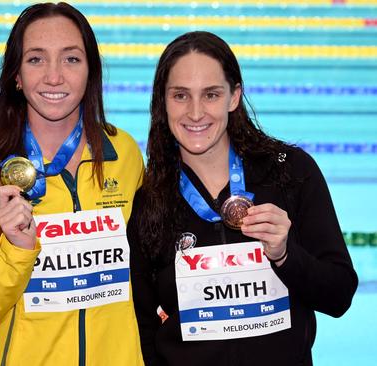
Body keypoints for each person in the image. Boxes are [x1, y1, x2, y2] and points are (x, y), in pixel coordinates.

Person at [128, 31, 358, 366]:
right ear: (162, 101)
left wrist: (285, 255)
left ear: (234, 96)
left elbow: (339, 296)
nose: (195, 113)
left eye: (210, 94)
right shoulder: (151, 202)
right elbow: (144, 328)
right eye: (180, 95)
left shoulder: (290, 172)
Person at [0, 2, 144, 365]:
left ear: (90, 72)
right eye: (36, 59)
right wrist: (18, 252)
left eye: (71, 59)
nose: (54, 77)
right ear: (16, 76)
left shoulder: (125, 155)